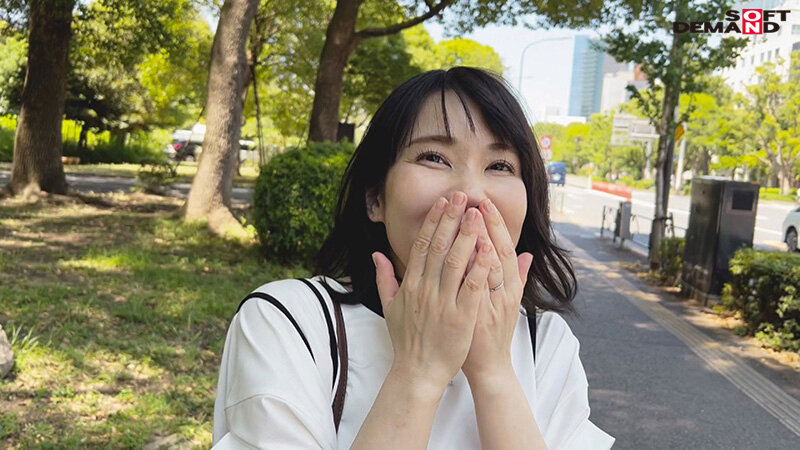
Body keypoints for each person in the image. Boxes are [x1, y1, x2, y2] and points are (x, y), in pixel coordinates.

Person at [212, 67, 615, 449]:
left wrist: (494, 372)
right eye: (434, 157)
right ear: (375, 198)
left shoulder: (546, 343)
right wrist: (420, 371)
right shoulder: (291, 323)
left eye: (499, 165)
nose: (472, 194)